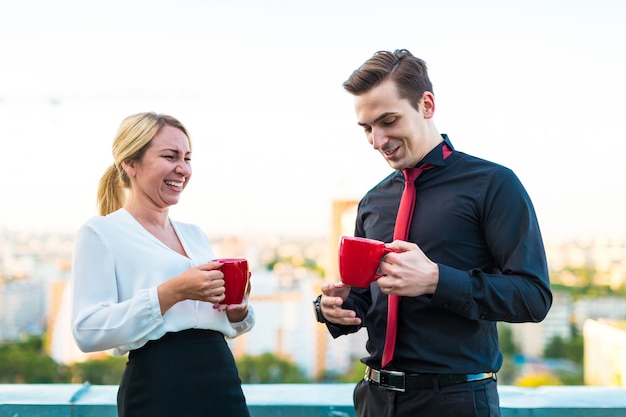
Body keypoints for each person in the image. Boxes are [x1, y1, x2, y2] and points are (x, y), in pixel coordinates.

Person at [313, 50, 552, 417]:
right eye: (367, 128)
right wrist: (334, 308)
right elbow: (365, 298)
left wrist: (437, 280)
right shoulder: (373, 200)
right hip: (373, 400)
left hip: (455, 402)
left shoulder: (493, 184)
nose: (377, 140)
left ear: (426, 105)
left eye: (388, 121)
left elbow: (534, 297)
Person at [71, 112, 255, 416]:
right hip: (158, 386)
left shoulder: (195, 234)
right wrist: (172, 291)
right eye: (170, 156)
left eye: (187, 158)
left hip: (222, 380)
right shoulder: (100, 233)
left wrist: (239, 310)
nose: (182, 169)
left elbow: (226, 322)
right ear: (130, 163)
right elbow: (86, 330)